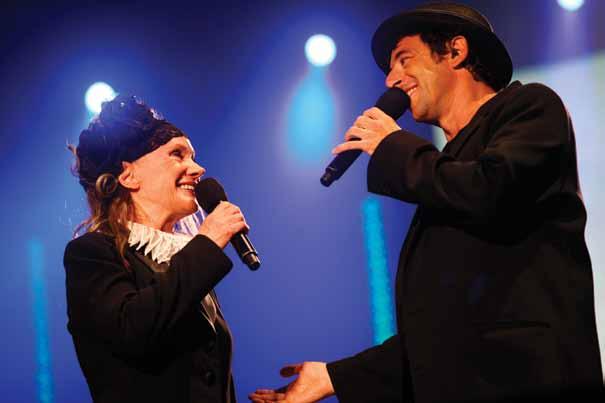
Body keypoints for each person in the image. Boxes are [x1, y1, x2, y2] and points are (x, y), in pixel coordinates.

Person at [250, 2, 603, 403]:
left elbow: (490, 188)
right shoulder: (442, 176)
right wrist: (332, 376)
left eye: (404, 59)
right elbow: (440, 333)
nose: (391, 79)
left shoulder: (531, 107)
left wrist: (391, 146)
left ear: (456, 51)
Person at [64, 94, 248, 403]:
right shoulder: (92, 254)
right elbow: (133, 330)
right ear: (129, 175)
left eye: (192, 156)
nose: (198, 168)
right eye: (177, 154)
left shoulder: (185, 260)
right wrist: (207, 243)